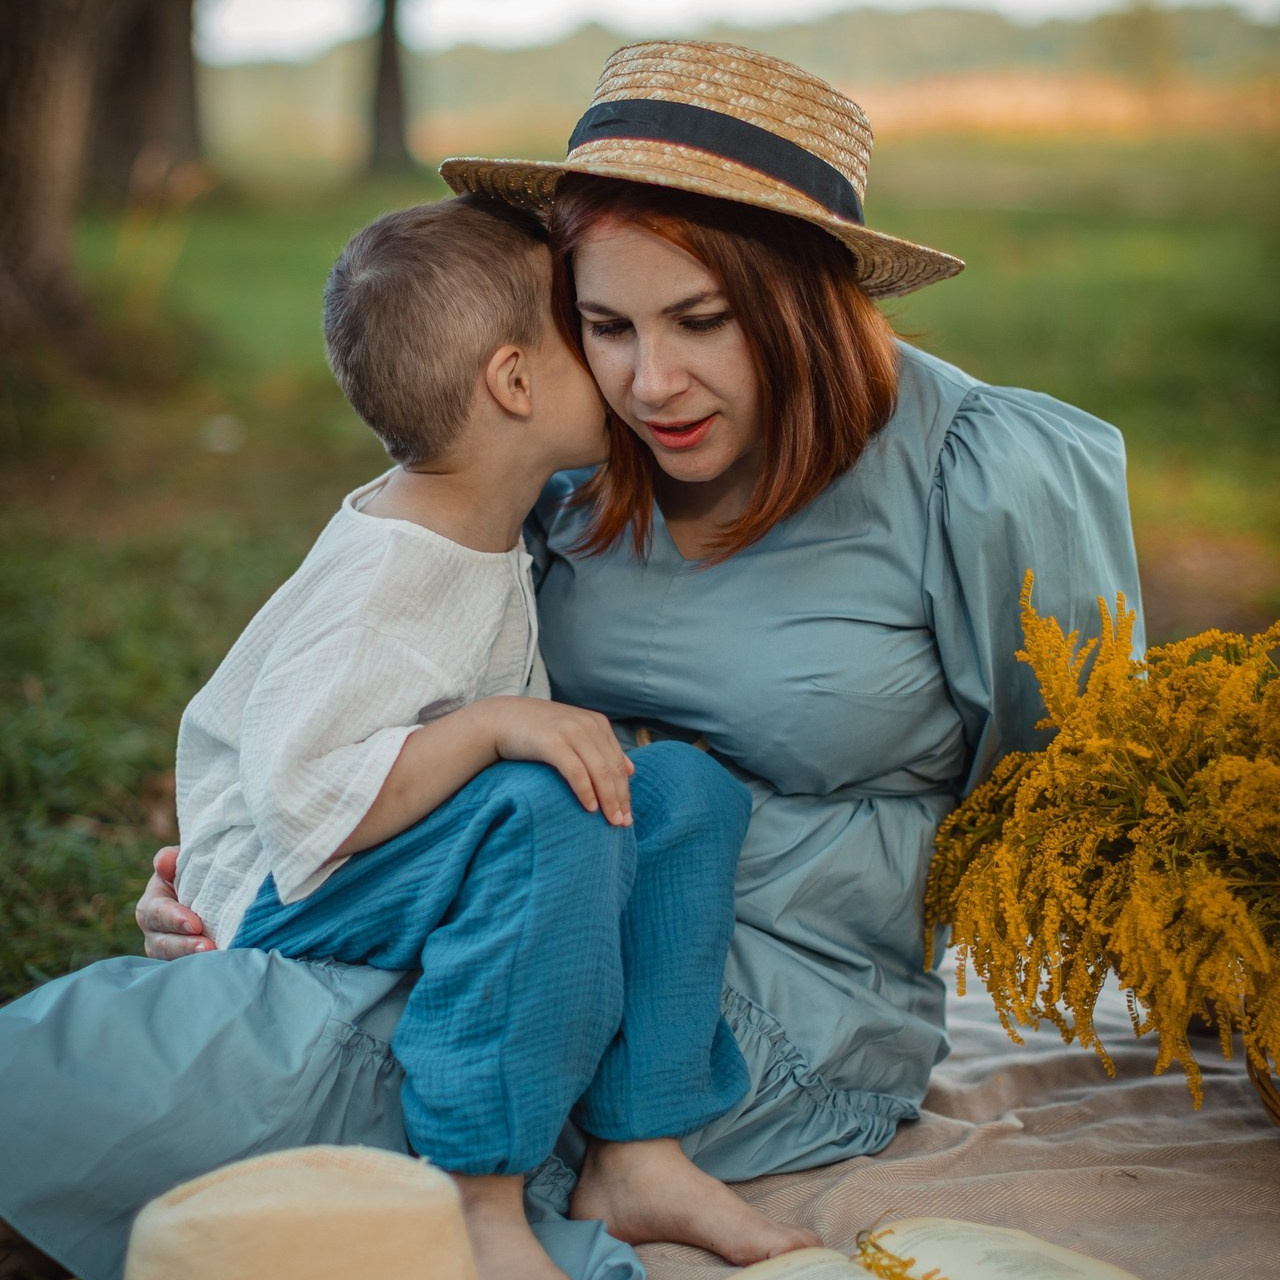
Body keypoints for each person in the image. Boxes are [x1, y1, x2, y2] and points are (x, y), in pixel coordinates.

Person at [2, 38, 1145, 1280]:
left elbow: (1099, 789)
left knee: (329, 1047)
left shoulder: (978, 470)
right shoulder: (568, 452)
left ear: (806, 299)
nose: (652, 381)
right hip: (518, 893)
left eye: (700, 321)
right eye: (604, 324)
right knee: (291, 1013)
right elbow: (387, 688)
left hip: (767, 989)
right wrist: (250, 867)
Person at [0, 192, 817, 1280]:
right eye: (588, 339)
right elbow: (303, 801)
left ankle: (640, 1145)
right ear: (515, 382)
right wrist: (488, 729)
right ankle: (477, 1192)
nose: (626, 374)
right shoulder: (387, 570)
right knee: (543, 803)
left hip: (408, 843)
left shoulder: (487, 521)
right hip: (288, 880)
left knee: (674, 789)